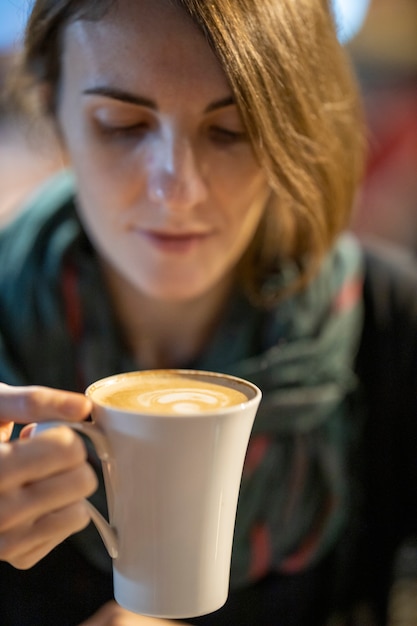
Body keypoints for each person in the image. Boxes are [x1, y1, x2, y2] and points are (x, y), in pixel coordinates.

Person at [0, 1, 416, 625]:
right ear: (52, 112)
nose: (178, 188)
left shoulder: (392, 325)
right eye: (121, 124)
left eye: (232, 130)